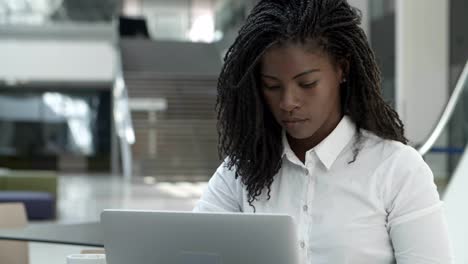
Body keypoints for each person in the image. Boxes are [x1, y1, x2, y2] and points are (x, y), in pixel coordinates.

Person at [193, 0, 452, 263]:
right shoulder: (241, 172)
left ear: (342, 69)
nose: (288, 102)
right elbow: (189, 249)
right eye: (272, 86)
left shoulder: (397, 170)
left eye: (307, 83)